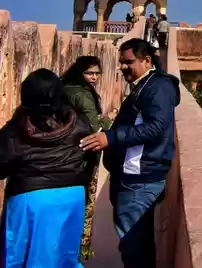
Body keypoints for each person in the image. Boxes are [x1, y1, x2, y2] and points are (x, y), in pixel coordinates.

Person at [79, 39, 180, 268]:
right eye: (122, 62)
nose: (123, 67)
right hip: (133, 179)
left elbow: (156, 128)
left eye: (129, 62)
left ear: (146, 61)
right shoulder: (146, 84)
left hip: (139, 180)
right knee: (137, 245)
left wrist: (111, 138)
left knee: (134, 247)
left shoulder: (158, 87)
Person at [0, 69, 95, 267]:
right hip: (72, 196)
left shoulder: (19, 126)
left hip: (31, 197)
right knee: (63, 256)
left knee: (18, 257)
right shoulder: (78, 122)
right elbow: (90, 156)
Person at [62, 55, 112, 261]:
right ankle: (79, 255)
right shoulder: (82, 94)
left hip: (62, 155)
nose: (93, 77)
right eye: (89, 73)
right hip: (83, 154)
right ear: (80, 72)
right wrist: (108, 121)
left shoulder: (63, 86)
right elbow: (96, 127)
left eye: (97, 73)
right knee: (85, 205)